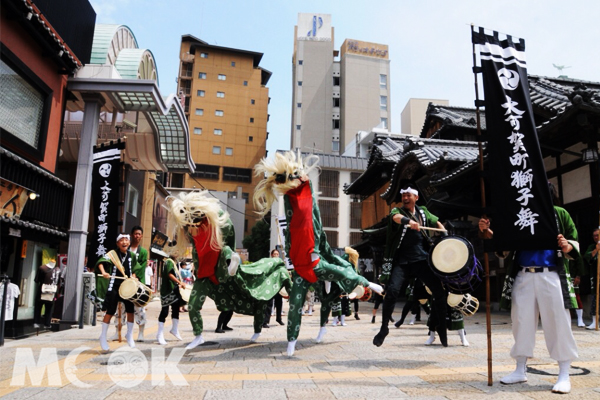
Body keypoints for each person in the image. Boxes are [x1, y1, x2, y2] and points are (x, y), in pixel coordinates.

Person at [478, 183, 580, 394]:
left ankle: (563, 373)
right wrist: (489, 233)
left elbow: (574, 240)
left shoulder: (559, 213)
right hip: (523, 274)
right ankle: (519, 368)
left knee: (558, 322)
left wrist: (566, 245)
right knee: (521, 321)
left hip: (551, 274)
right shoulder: (520, 213)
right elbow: (504, 246)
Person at [373, 186, 448, 348]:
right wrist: (409, 222)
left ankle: (441, 327)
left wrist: (445, 236)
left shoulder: (424, 212)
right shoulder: (397, 211)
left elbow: (438, 223)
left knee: (439, 291)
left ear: (416, 197)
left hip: (422, 260)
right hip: (402, 261)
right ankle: (384, 327)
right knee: (392, 291)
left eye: (408, 195)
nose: (405, 198)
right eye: (404, 195)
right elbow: (396, 218)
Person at [96, 234, 138, 350]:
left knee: (130, 310)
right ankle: (103, 336)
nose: (124, 242)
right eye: (121, 240)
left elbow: (135, 269)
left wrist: (134, 277)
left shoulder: (132, 256)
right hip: (114, 285)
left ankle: (129, 334)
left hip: (127, 286)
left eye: (126, 240)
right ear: (117, 243)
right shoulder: (112, 254)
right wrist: (104, 272)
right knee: (110, 311)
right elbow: (100, 262)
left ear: (129, 243)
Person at [110, 226, 149, 342]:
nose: (137, 236)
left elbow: (141, 267)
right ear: (131, 235)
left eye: (139, 234)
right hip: (122, 284)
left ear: (141, 236)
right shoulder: (123, 250)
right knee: (120, 309)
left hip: (136, 284)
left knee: (139, 309)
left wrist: (134, 276)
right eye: (135, 234)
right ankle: (118, 332)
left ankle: (141, 333)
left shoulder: (143, 252)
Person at [157, 253, 184, 345]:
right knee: (165, 311)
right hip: (167, 290)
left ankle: (174, 329)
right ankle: (159, 334)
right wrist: (179, 282)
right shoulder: (169, 262)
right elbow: (169, 274)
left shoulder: (175, 263)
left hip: (174, 290)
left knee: (176, 309)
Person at [263, 249, 285, 328]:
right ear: (271, 255)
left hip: (278, 286)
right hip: (270, 286)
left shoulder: (280, 264)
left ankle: (279, 318)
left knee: (279, 303)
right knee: (269, 304)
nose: (276, 255)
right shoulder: (269, 263)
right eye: (274, 254)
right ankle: (265, 321)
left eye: (277, 254)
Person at [585, 228, 600, 329]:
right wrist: (596, 249)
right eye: (594, 235)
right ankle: (594, 322)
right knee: (595, 297)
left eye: (597, 235)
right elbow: (588, 257)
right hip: (595, 276)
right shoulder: (592, 246)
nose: (596, 237)